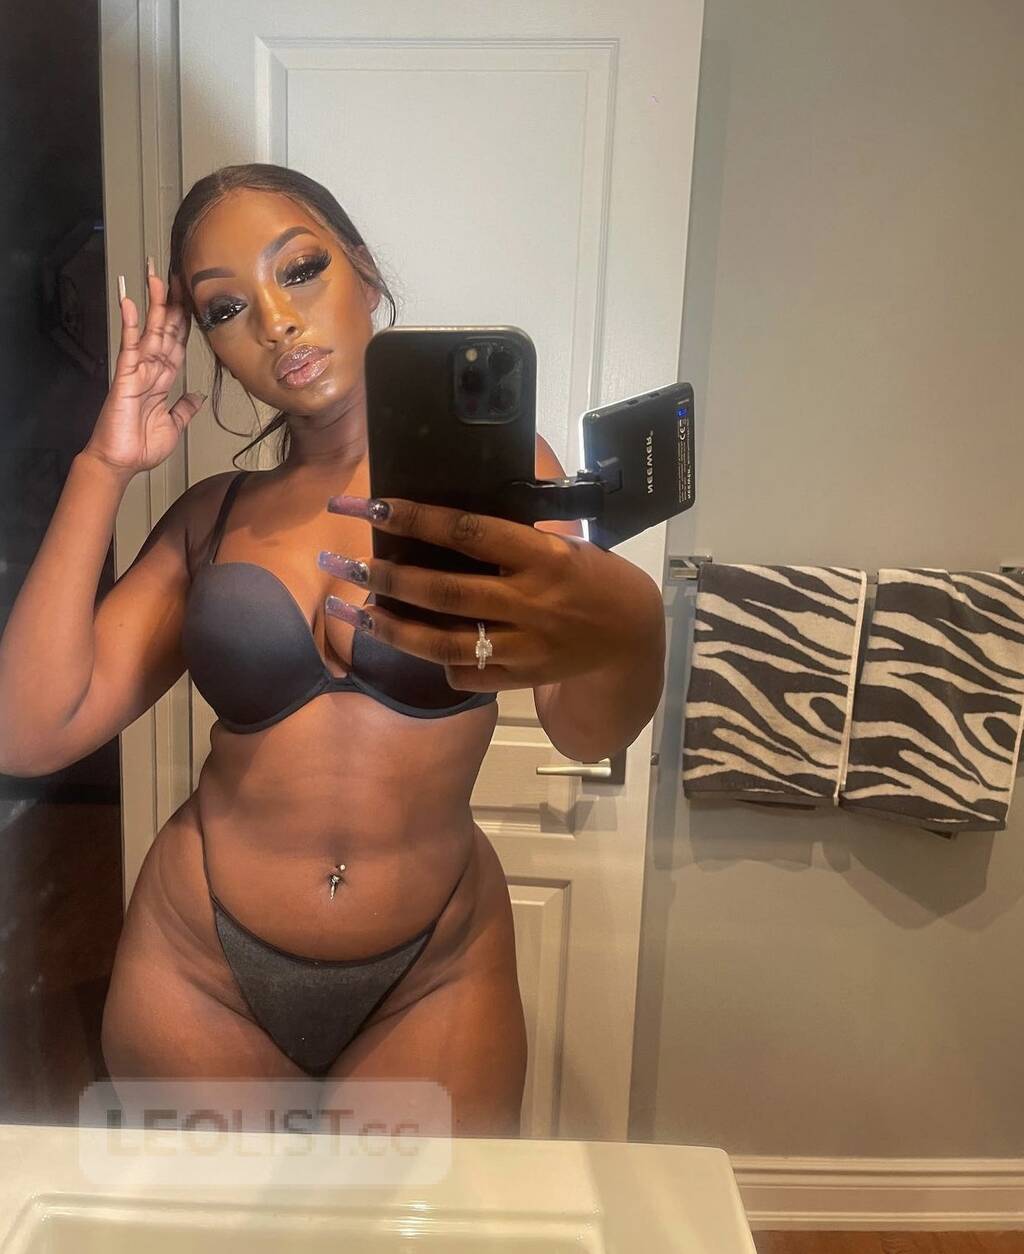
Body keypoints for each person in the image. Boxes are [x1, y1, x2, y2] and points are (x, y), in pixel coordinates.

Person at [0, 163, 666, 1137]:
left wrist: (634, 618)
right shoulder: (208, 520)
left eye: (300, 269)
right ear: (212, 347)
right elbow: (29, 730)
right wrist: (103, 466)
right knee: (207, 1224)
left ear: (363, 271)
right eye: (226, 307)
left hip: (433, 974)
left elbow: (583, 728)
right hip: (196, 968)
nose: (275, 322)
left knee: (422, 1224)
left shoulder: (504, 483)